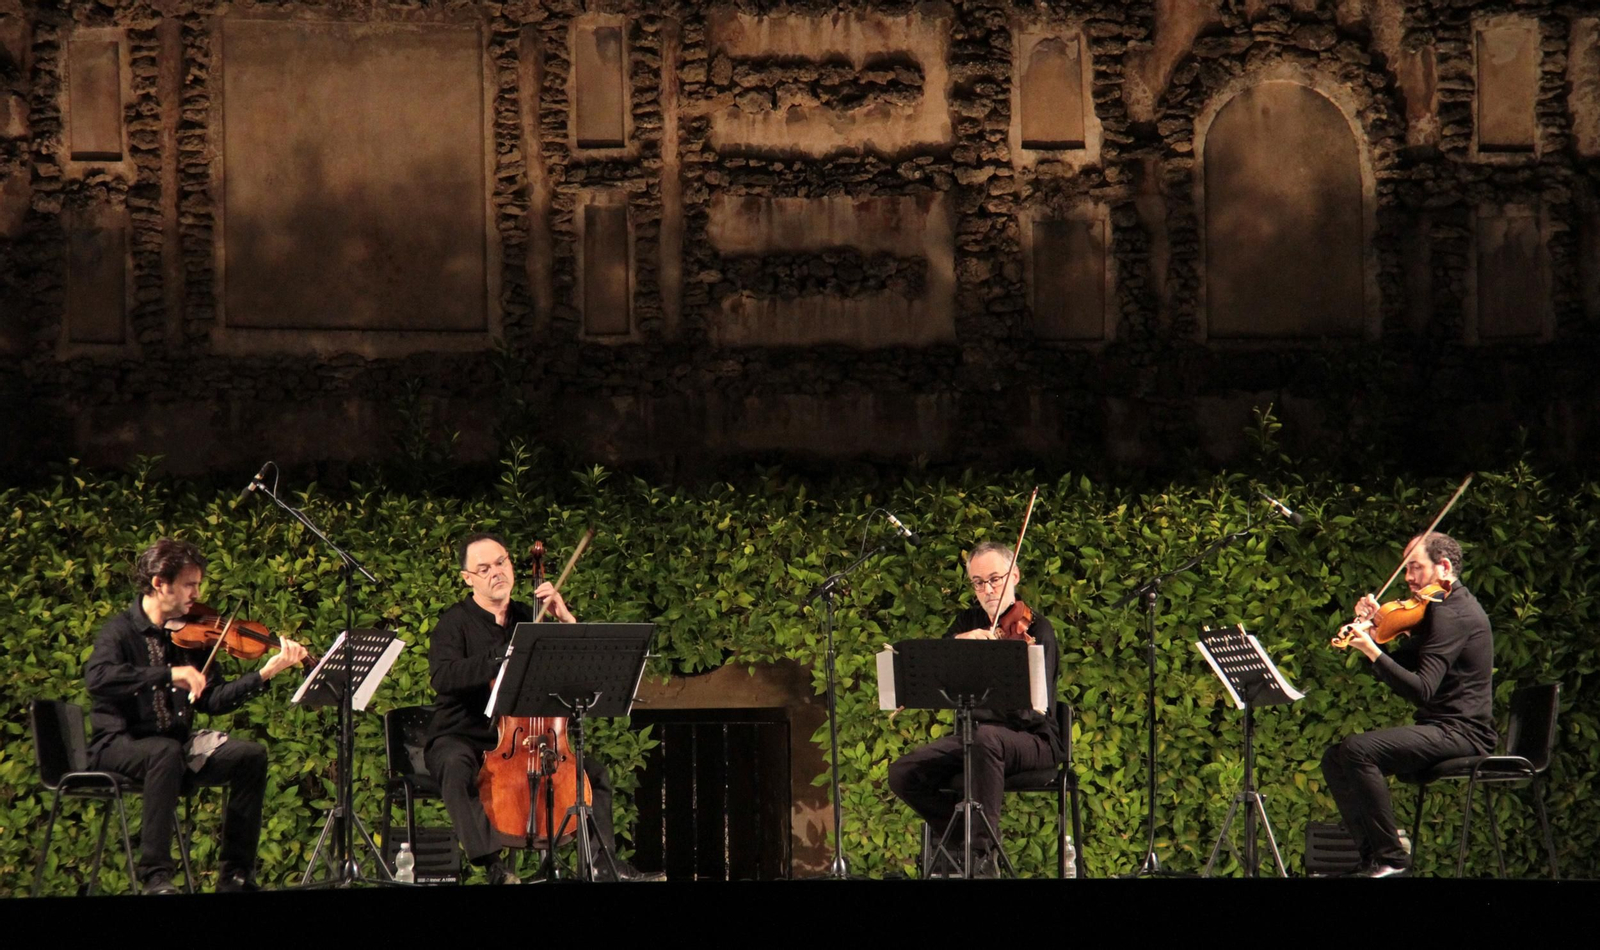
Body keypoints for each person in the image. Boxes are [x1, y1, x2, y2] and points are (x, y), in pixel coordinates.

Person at [425, 532, 662, 883]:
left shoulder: (528, 616)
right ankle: (493, 865)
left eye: (501, 562)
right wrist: (497, 659)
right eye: (484, 568)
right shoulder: (453, 623)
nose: (496, 572)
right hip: (463, 736)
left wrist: (564, 617)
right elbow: (442, 676)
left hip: (525, 739)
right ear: (468, 578)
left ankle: (601, 865)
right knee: (455, 767)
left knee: (592, 774)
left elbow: (578, 665)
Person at [85, 538, 309, 894]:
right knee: (165, 752)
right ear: (160, 583)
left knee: (250, 755)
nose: (196, 593)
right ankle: (155, 877)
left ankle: (236, 876)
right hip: (119, 743)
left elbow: (213, 701)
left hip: (174, 746)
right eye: (190, 584)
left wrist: (265, 673)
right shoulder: (120, 631)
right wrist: (168, 674)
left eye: (198, 584)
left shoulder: (187, 634)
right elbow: (97, 679)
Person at [1323, 531, 1496, 877]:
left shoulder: (1454, 615)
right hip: (1441, 727)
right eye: (1406, 569)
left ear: (1444, 567)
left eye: (1415, 568)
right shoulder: (1437, 610)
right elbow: (1399, 668)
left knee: (1358, 750)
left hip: (1464, 733)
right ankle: (1373, 859)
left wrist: (1372, 651)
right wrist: (1374, 634)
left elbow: (1421, 690)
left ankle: (1392, 859)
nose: (1408, 578)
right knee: (1334, 757)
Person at [886, 541, 1064, 877]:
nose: (988, 589)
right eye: (979, 582)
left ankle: (983, 858)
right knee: (903, 773)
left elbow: (1031, 710)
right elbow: (939, 670)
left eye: (995, 578)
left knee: (986, 739)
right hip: (974, 738)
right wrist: (960, 644)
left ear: (1015, 576)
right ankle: (960, 839)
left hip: (1033, 739)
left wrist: (998, 660)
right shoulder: (966, 621)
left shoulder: (1037, 629)